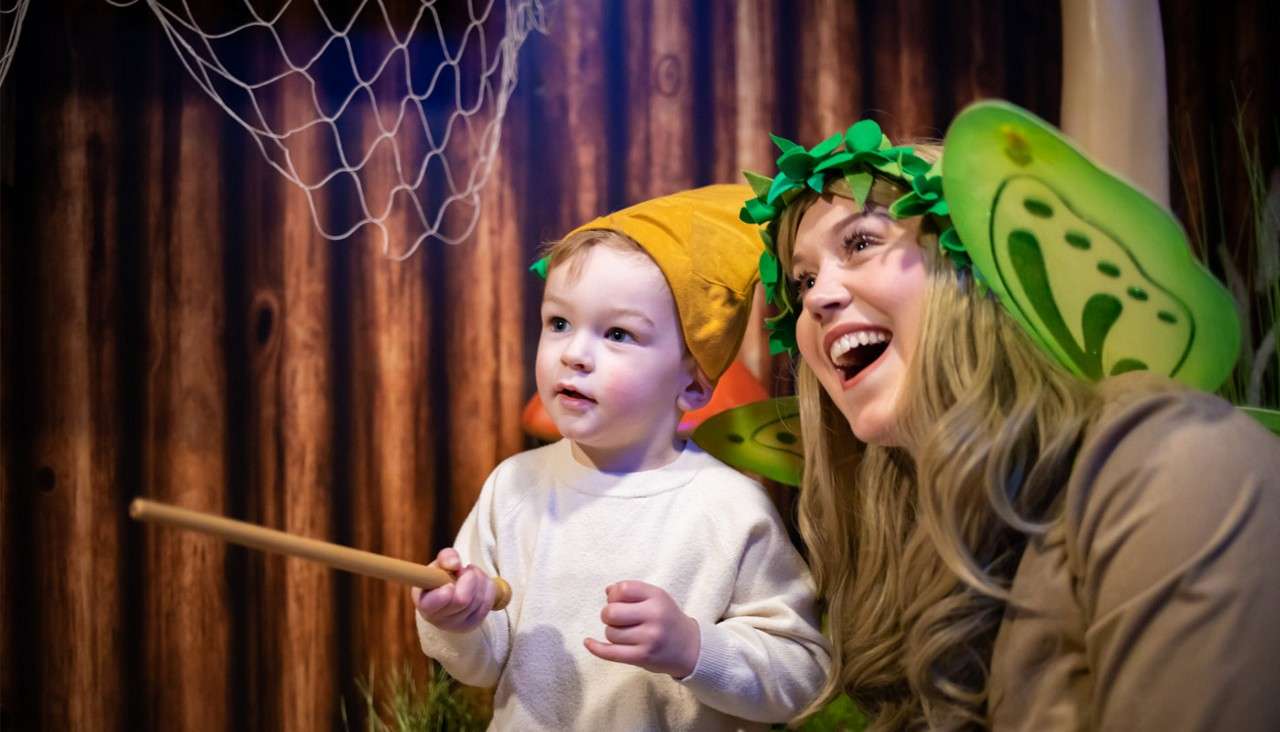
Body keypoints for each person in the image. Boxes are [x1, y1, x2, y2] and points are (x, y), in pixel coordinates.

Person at [739, 101, 1280, 730]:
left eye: (860, 243)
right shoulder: (905, 549)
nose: (819, 300)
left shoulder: (1171, 462)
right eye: (801, 283)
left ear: (978, 271)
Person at [412, 185, 831, 730]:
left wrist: (694, 649)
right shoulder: (513, 486)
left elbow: (801, 675)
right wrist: (461, 622)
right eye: (558, 323)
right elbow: (483, 664)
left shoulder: (729, 508)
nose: (574, 354)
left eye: (617, 333)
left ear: (694, 385)